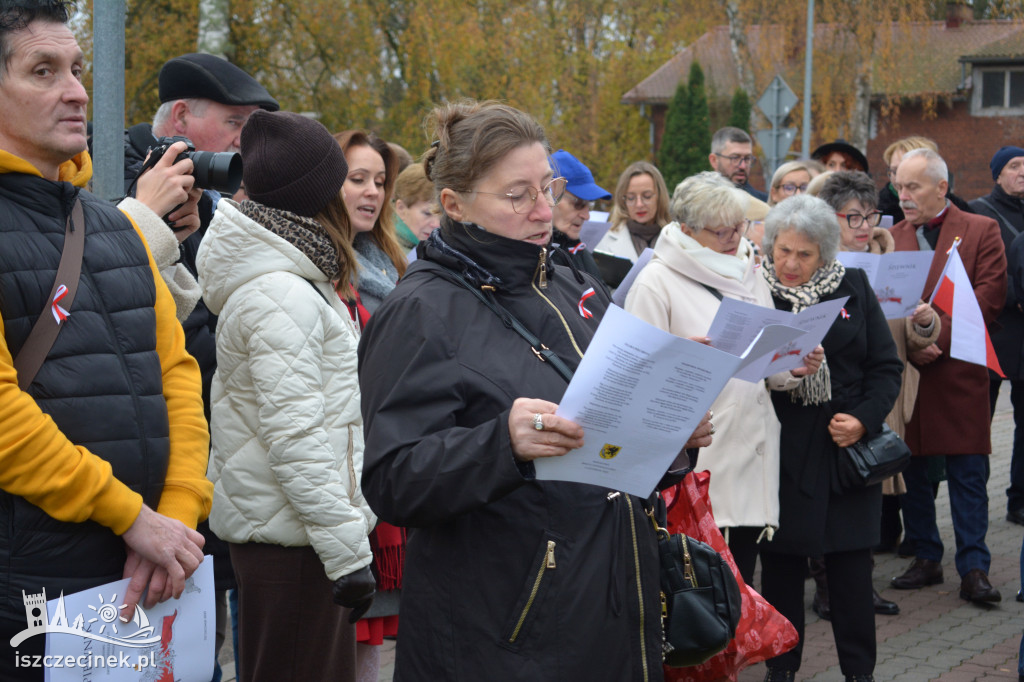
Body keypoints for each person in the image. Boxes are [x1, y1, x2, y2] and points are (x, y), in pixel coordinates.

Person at [357, 99, 712, 681]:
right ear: (454, 204)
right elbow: (392, 480)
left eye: (548, 186)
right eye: (517, 196)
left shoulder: (571, 278)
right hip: (502, 634)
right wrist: (502, 444)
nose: (544, 209)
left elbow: (604, 436)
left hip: (609, 603)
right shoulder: (420, 310)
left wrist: (667, 428)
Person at [0, 2, 212, 678]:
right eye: (43, 71)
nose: (76, 91)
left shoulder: (117, 227)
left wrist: (176, 519)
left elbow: (177, 376)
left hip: (150, 573)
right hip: (26, 587)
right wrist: (133, 519)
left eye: (76, 68)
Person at [196, 110, 376, 682]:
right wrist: (347, 552)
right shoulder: (282, 293)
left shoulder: (293, 279)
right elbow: (296, 437)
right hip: (296, 545)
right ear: (317, 196)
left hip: (297, 536)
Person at [624, 171, 821, 585]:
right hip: (700, 464)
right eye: (721, 231)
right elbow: (633, 379)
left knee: (741, 585)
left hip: (754, 453)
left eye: (739, 225)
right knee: (704, 595)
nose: (735, 238)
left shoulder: (748, 268)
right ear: (687, 230)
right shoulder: (656, 281)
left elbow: (765, 366)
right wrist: (681, 361)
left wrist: (792, 366)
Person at [758, 194, 902, 682]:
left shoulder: (852, 285)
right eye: (783, 250)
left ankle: (859, 672)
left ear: (824, 253)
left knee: (851, 573)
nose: (791, 263)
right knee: (781, 569)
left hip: (846, 452)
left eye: (805, 254)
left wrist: (862, 419)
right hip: (783, 451)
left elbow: (885, 367)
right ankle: (782, 670)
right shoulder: (756, 291)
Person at [813, 170, 942, 620]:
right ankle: (829, 588)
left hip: (882, 395)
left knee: (866, 497)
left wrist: (925, 321)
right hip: (834, 397)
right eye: (854, 217)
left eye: (870, 216)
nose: (865, 226)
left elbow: (915, 339)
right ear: (830, 219)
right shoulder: (817, 266)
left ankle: (857, 586)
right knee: (834, 498)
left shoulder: (894, 259)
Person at [888, 148, 1007, 603]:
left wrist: (935, 335)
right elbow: (883, 302)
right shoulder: (891, 238)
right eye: (899, 186)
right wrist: (914, 345)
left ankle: (974, 567)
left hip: (959, 370)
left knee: (968, 475)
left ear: (941, 188)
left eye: (913, 186)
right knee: (914, 473)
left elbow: (989, 297)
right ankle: (926, 556)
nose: (903, 195)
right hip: (913, 375)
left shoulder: (981, 229)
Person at [969, 146, 1024, 526]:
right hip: (991, 334)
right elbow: (975, 270)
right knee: (979, 428)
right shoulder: (979, 213)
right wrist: (1015, 293)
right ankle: (975, 506)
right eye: (1015, 166)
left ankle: (1019, 499)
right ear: (997, 174)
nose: (1022, 172)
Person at [334, 130, 408, 315]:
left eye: (380, 182)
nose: (373, 192)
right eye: (358, 179)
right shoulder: (317, 268)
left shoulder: (394, 261)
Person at [548, 149, 611, 282]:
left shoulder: (579, 251)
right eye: (578, 204)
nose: (586, 216)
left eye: (590, 205)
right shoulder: (529, 257)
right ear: (549, 195)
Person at [877, 136, 972, 224]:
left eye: (909, 169)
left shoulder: (962, 213)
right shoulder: (876, 209)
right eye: (894, 170)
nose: (900, 176)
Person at [594, 160, 670, 263]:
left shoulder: (678, 237)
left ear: (660, 197)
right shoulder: (604, 240)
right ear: (623, 200)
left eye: (647, 196)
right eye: (631, 198)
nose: (639, 204)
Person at [709, 126, 767, 201]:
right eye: (735, 158)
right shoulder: (698, 203)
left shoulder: (765, 204)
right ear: (714, 160)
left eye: (747, 158)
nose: (743, 166)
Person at [393, 162, 440, 251]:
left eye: (442, 215)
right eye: (427, 213)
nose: (437, 224)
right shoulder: (382, 251)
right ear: (401, 209)